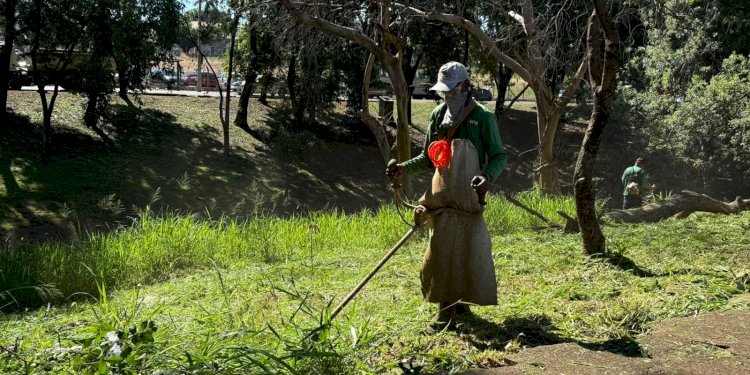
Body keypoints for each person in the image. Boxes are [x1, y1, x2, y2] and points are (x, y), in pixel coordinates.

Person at [386, 61, 506, 329]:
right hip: (441, 202)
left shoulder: (483, 118)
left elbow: (499, 156)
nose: (448, 96)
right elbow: (428, 158)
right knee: (440, 255)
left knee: (465, 254)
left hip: (468, 201)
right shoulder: (438, 116)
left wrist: (486, 178)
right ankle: (445, 314)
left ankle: (460, 307)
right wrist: (402, 169)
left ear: (465, 86)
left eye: (453, 90)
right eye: (444, 92)